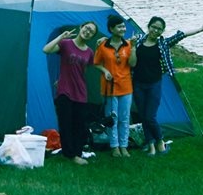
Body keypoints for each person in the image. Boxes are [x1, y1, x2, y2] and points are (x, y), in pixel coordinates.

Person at [132, 16, 203, 156]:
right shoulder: (138, 40)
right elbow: (120, 42)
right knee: (142, 115)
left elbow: (181, 35)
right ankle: (150, 144)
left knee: (150, 116)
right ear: (148, 26)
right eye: (154, 27)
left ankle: (159, 141)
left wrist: (202, 28)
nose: (156, 30)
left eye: (159, 29)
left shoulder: (163, 44)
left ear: (162, 31)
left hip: (154, 83)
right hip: (138, 84)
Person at [43, 21, 99, 165]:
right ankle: (70, 155)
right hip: (64, 90)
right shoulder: (66, 44)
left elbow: (82, 70)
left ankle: (76, 152)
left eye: (91, 31)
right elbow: (46, 50)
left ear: (92, 36)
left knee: (79, 124)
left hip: (80, 91)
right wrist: (61, 37)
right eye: (86, 28)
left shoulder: (89, 52)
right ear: (81, 28)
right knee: (65, 123)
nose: (87, 31)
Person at [94, 14, 137, 157]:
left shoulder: (129, 44)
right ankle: (114, 146)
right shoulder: (103, 45)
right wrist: (105, 71)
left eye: (123, 26)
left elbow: (132, 64)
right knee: (112, 118)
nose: (123, 29)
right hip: (109, 87)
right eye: (119, 26)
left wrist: (134, 48)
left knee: (124, 118)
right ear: (111, 29)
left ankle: (124, 145)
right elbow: (96, 63)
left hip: (126, 87)